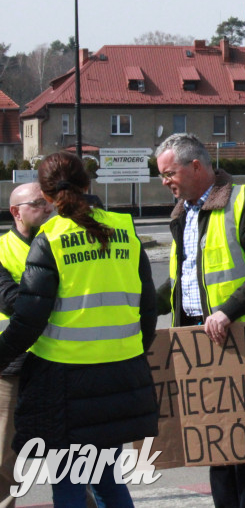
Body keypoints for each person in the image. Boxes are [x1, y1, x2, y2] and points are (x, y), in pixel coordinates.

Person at [0, 153, 157, 507]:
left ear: (47, 193)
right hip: (121, 374)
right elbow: (148, 308)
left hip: (64, 382)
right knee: (107, 479)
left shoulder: (51, 238)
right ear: (88, 184)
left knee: (69, 483)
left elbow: (28, 319)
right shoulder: (124, 229)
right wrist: (133, 350)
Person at [156, 133, 245, 508]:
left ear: (195, 166)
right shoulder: (183, 212)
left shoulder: (244, 203)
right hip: (198, 343)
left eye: (169, 173)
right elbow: (183, 278)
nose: (165, 181)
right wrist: (144, 307)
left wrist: (228, 311)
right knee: (214, 447)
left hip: (244, 338)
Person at [0, 183, 53, 507]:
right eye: (38, 203)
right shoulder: (2, 248)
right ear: (16, 212)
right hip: (11, 364)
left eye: (48, 203)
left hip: (56, 358)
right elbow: (10, 301)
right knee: (4, 450)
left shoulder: (59, 242)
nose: (47, 208)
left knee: (71, 448)